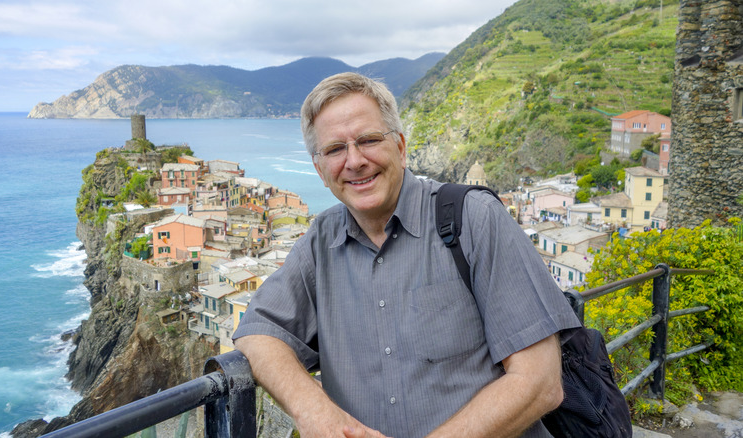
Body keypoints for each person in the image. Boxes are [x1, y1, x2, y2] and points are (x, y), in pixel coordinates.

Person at [233, 72, 580, 438]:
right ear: (320, 170)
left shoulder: (474, 219)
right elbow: (257, 331)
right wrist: (315, 412)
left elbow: (540, 381)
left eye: (368, 140)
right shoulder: (321, 242)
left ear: (400, 146)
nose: (354, 161)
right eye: (335, 149)